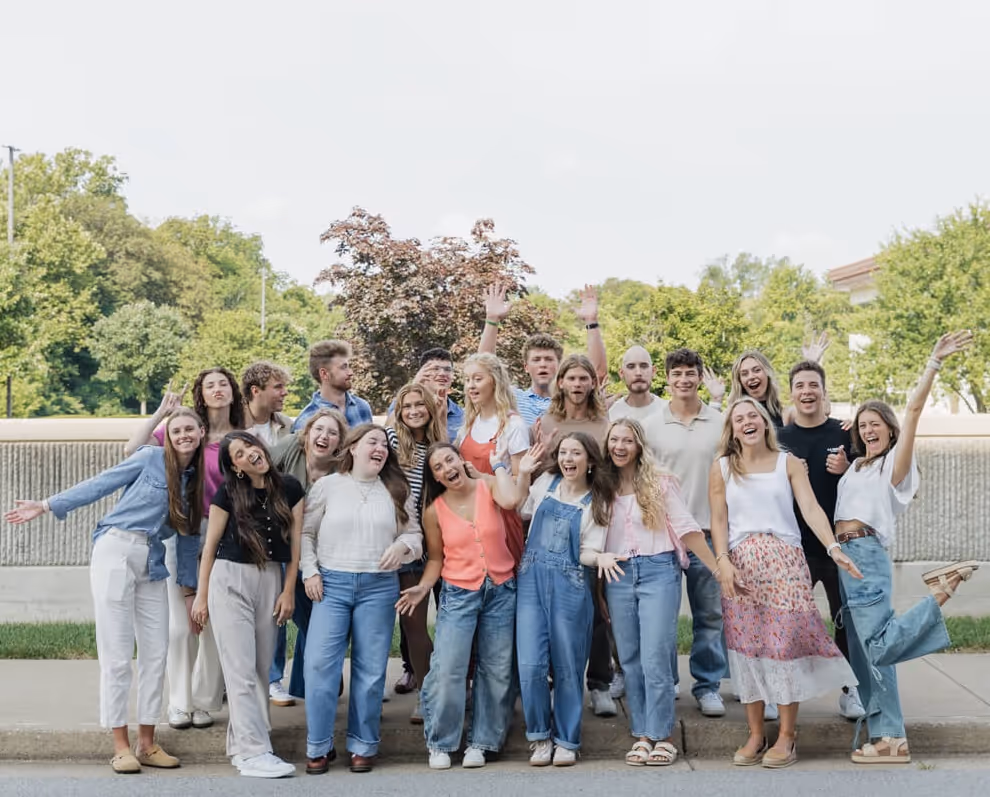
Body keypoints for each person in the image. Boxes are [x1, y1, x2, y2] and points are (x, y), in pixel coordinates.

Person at [4, 408, 206, 774]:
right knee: (115, 652)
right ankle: (119, 746)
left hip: (153, 562)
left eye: (189, 428)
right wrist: (47, 505)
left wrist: (190, 591)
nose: (183, 435)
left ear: (201, 431)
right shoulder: (150, 458)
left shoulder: (195, 481)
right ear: (168, 435)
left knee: (156, 653)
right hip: (116, 548)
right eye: (176, 430)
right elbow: (102, 482)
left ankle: (147, 742)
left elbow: (189, 539)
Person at [835, 331, 980, 765]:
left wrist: (933, 363)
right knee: (867, 655)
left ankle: (941, 591)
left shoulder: (893, 467)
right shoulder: (858, 467)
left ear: (891, 430)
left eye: (875, 424)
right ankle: (890, 739)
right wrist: (846, 459)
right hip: (845, 557)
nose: (868, 430)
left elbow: (914, 409)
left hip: (865, 556)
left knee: (878, 646)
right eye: (862, 426)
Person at [710, 397, 862, 769]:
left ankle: (788, 737)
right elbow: (718, 520)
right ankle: (756, 734)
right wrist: (723, 563)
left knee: (783, 649)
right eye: (738, 418)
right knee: (747, 650)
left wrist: (832, 548)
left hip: (785, 563)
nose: (747, 422)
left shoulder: (788, 463)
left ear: (764, 423)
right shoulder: (722, 468)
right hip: (741, 564)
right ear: (732, 428)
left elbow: (810, 508)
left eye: (753, 416)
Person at [125, 369, 244, 731]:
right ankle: (179, 702)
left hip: (228, 534)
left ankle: (205, 700)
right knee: (182, 625)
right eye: (210, 385)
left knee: (214, 622)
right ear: (201, 395)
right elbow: (132, 450)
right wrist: (161, 414)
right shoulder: (183, 430)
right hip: (185, 532)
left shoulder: (242, 436)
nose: (218, 390)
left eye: (224, 383)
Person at [301, 424, 423, 775]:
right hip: (331, 585)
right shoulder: (327, 486)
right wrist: (310, 571)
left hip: (379, 586)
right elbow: (306, 533)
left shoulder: (397, 490)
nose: (380, 449)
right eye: (372, 442)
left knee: (370, 671)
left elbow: (414, 534)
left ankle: (363, 745)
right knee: (320, 666)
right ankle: (318, 747)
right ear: (352, 448)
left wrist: (402, 547)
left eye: (384, 445)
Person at [600, 419, 721, 766]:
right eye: (614, 440)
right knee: (630, 657)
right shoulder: (601, 487)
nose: (620, 446)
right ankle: (643, 733)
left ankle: (663, 734)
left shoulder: (660, 483)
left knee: (656, 653)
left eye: (627, 440)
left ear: (639, 446)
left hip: (658, 570)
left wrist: (716, 567)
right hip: (617, 574)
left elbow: (686, 527)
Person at [396, 443, 519, 771]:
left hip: (501, 591)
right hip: (459, 593)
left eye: (449, 459)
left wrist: (498, 468)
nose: (446, 468)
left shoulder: (489, 486)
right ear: (434, 476)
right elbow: (436, 558)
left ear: (460, 460)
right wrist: (423, 586)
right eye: (437, 467)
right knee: (448, 668)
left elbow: (511, 500)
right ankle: (441, 741)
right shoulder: (434, 511)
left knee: (495, 669)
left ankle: (482, 742)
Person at [190, 432, 304, 779]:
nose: (250, 454)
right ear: (235, 467)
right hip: (229, 579)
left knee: (258, 669)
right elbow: (209, 548)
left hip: (270, 578)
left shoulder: (291, 487)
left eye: (250, 446)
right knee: (238, 670)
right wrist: (201, 595)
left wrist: (288, 591)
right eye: (239, 453)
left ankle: (240, 748)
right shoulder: (228, 493)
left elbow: (296, 546)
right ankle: (256, 753)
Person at [507, 433, 615, 767]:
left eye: (576, 453)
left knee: (569, 665)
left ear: (590, 461)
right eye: (564, 452)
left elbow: (587, 551)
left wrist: (600, 559)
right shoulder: (546, 484)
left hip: (571, 587)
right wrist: (523, 472)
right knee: (531, 665)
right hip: (531, 583)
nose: (568, 459)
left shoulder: (598, 502)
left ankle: (567, 740)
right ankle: (539, 738)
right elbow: (519, 508)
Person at [641, 348, 727, 716]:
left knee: (709, 615)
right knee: (662, 617)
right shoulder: (651, 425)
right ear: (668, 379)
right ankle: (669, 681)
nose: (684, 380)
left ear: (698, 376)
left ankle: (707, 686)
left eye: (690, 373)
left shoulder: (720, 421)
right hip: (664, 534)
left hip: (707, 531)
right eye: (677, 374)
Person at [777, 360, 864, 721]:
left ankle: (852, 691)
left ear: (824, 392)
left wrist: (849, 469)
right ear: (792, 393)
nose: (807, 392)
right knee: (785, 624)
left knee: (847, 620)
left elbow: (870, 483)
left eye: (813, 385)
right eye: (800, 386)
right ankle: (779, 693)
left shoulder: (845, 434)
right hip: (795, 547)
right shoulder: (779, 439)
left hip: (839, 545)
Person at [532, 353, 615, 718]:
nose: (578, 385)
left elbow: (610, 465)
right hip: (555, 515)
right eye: (572, 378)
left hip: (593, 509)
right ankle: (556, 681)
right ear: (560, 382)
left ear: (592, 384)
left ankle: (599, 683)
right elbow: (544, 469)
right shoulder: (548, 420)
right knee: (554, 608)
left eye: (585, 378)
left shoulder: (603, 420)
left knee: (596, 602)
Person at [269, 409, 348, 704]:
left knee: (317, 617)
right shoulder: (291, 447)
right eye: (319, 429)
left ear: (339, 442)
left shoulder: (342, 470)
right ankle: (275, 679)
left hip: (318, 555)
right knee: (282, 613)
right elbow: (256, 463)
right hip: (280, 546)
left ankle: (310, 680)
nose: (323, 437)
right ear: (307, 432)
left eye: (332, 433)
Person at [386, 382, 448, 719]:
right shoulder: (393, 441)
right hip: (405, 540)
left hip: (440, 538)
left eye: (419, 405)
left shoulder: (439, 445)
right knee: (413, 623)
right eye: (406, 405)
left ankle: (444, 688)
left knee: (447, 623)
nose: (413, 411)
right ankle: (427, 693)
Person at [479, 283, 607, 426]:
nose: (543, 364)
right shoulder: (513, 397)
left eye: (548, 359)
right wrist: (492, 319)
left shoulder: (573, 399)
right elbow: (484, 370)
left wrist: (591, 322)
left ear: (559, 365)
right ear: (526, 367)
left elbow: (597, 373)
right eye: (536, 360)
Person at [456, 352, 529, 563]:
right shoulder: (468, 424)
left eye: (478, 379)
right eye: (467, 380)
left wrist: (484, 479)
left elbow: (519, 484)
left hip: (500, 520)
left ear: (495, 381)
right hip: (468, 518)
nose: (471, 385)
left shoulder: (513, 425)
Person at [292, 339, 373, 432]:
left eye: (349, 366)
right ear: (324, 374)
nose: (351, 372)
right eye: (343, 367)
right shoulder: (306, 420)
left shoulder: (362, 407)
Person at [388, 348, 464, 444]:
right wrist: (415, 384)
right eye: (435, 369)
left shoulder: (461, 415)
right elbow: (387, 434)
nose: (442, 374)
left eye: (447, 370)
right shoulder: (403, 404)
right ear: (422, 373)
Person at [241, 361, 293, 447]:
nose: (285, 392)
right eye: (278, 387)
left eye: (284, 386)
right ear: (255, 391)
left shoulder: (288, 425)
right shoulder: (233, 426)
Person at [608, 346, 662, 423]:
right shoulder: (611, 414)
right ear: (621, 373)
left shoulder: (668, 411)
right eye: (631, 367)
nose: (638, 373)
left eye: (644, 366)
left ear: (653, 371)